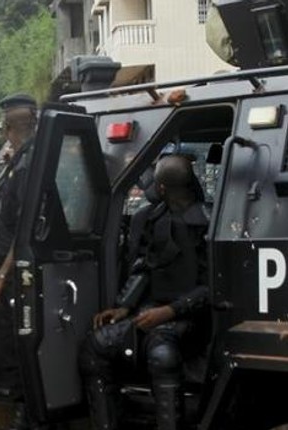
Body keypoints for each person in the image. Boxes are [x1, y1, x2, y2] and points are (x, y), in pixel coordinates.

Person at [79, 155, 210, 430]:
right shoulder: (151, 219)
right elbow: (145, 267)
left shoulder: (207, 221)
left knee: (162, 353)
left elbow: (212, 286)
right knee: (96, 346)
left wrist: (169, 311)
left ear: (161, 188)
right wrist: (124, 306)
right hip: (151, 310)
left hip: (190, 317)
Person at [0, 93, 38, 401]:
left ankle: (20, 407)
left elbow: (24, 229)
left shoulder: (27, 166)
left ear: (9, 129)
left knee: (14, 343)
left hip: (17, 271)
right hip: (14, 265)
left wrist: (2, 276)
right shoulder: (22, 160)